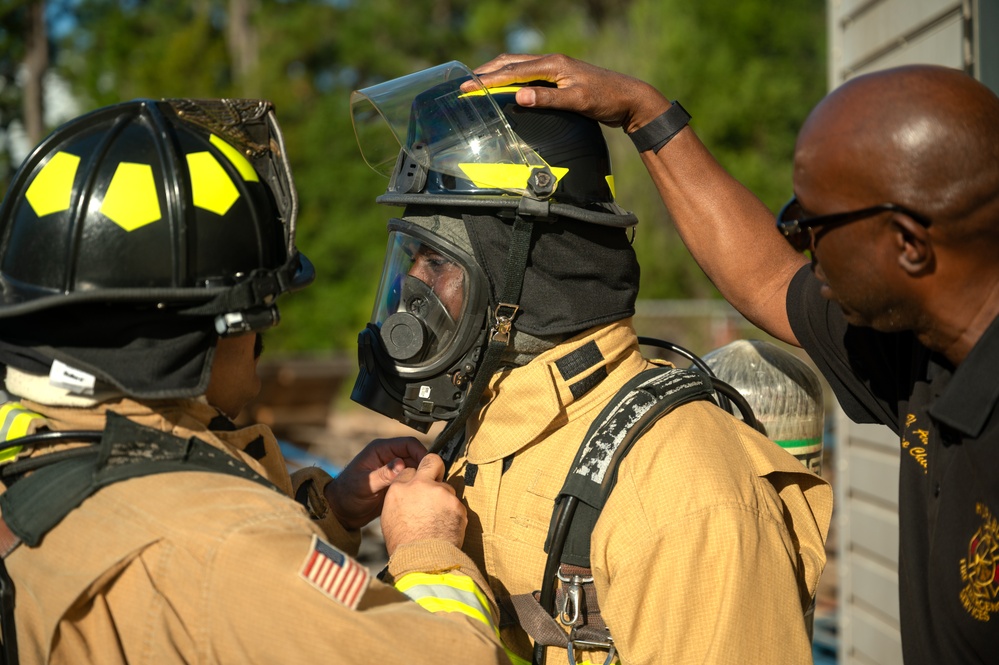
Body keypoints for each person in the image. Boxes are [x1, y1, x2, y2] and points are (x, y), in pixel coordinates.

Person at [465, 53, 999, 663]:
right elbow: (770, 279)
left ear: (907, 244)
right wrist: (646, 112)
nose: (798, 247)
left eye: (809, 225)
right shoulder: (923, 352)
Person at [348, 62, 832, 664]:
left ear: (517, 270)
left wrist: (425, 558)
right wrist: (333, 517)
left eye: (436, 262)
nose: (410, 292)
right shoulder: (481, 433)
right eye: (410, 261)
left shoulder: (683, 490)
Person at [0, 97, 512, 664]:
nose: (271, 328)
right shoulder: (233, 545)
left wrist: (330, 508)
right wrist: (428, 551)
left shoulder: (31, 442)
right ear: (211, 328)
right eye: (265, 305)